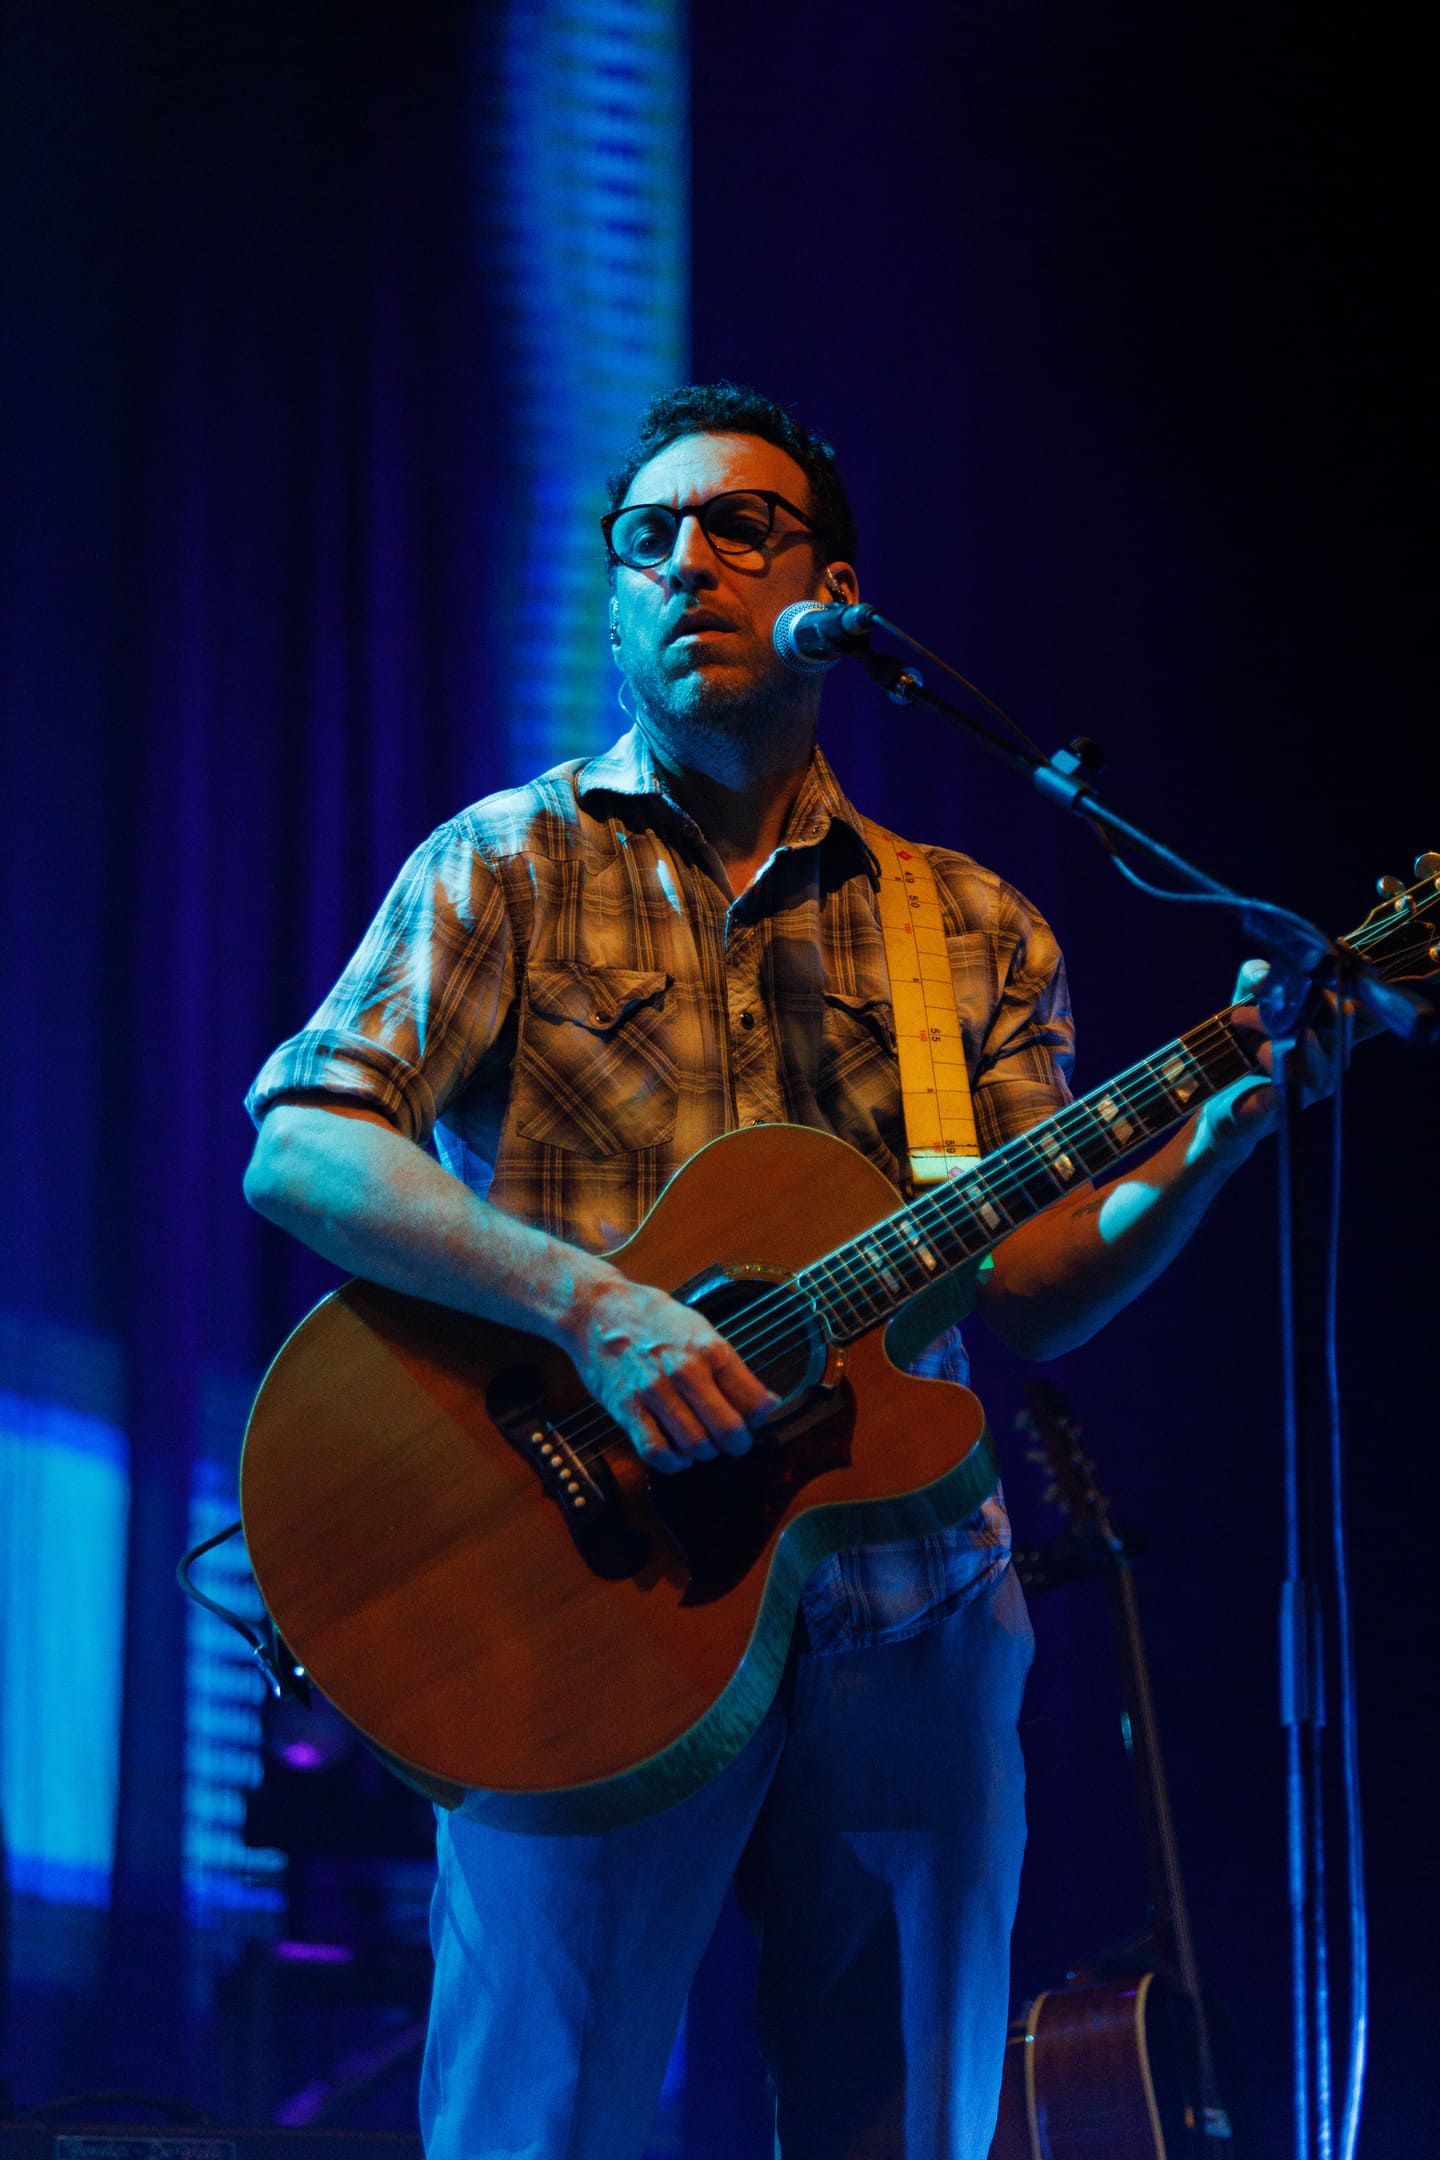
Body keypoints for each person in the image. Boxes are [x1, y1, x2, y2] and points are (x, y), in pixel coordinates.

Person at [243, 384, 1305, 2160]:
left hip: (909, 1600)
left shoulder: (965, 923)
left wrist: (1208, 1144)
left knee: (900, 2126)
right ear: (612, 603)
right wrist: (595, 1307)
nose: (688, 566)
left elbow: (1029, 1277)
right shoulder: (504, 865)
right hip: (577, 1584)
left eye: (740, 529)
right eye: (647, 539)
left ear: (833, 592)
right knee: (542, 2126)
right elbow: (303, 1143)